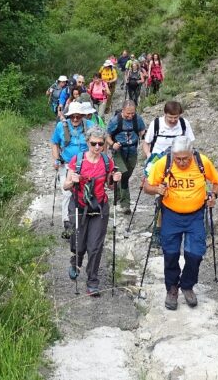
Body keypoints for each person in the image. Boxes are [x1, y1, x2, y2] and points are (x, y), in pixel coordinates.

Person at [145, 136, 218, 309]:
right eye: (178, 158)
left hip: (195, 215)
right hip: (171, 215)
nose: (181, 162)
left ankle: (187, 285)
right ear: (173, 155)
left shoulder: (202, 162)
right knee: (171, 253)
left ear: (191, 153)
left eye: (185, 158)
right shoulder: (164, 163)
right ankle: (172, 288)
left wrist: (213, 195)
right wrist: (157, 189)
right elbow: (147, 187)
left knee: (195, 253)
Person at [65, 126, 122, 296]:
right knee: (78, 242)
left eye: (101, 144)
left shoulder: (107, 161)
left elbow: (110, 187)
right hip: (79, 205)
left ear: (104, 144)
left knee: (95, 245)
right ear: (87, 142)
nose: (97, 147)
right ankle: (76, 261)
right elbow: (66, 186)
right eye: (93, 143)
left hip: (99, 206)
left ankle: (92, 282)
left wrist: (115, 180)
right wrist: (73, 180)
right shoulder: (78, 160)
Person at [51, 100, 97, 232]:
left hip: (85, 164)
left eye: (78, 116)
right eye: (73, 116)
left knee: (86, 192)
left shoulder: (90, 126)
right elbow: (54, 143)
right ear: (69, 116)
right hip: (66, 164)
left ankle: (85, 219)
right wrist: (56, 159)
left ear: (83, 115)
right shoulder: (61, 126)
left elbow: (98, 142)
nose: (75, 119)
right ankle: (67, 223)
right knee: (67, 193)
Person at [107, 100, 146, 214]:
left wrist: (146, 138)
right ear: (123, 110)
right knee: (123, 174)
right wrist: (113, 144)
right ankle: (125, 204)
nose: (130, 116)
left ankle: (118, 194)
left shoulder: (137, 119)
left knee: (127, 174)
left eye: (132, 113)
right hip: (118, 151)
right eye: (128, 113)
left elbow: (142, 131)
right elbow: (107, 136)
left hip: (132, 150)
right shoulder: (115, 120)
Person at [142, 100, 195, 171]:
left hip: (177, 160)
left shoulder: (184, 123)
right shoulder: (156, 124)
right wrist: (148, 155)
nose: (173, 120)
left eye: (176, 117)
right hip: (157, 159)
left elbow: (190, 142)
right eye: (170, 117)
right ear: (165, 114)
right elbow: (146, 143)